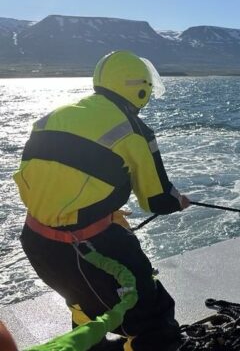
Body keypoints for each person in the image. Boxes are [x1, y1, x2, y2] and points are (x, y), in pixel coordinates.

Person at [14, 50, 190, 350]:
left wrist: (98, 204)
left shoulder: (53, 116)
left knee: (83, 306)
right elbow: (157, 199)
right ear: (140, 88)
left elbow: (55, 178)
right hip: (89, 250)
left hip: (36, 241)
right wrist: (179, 201)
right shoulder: (134, 131)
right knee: (153, 316)